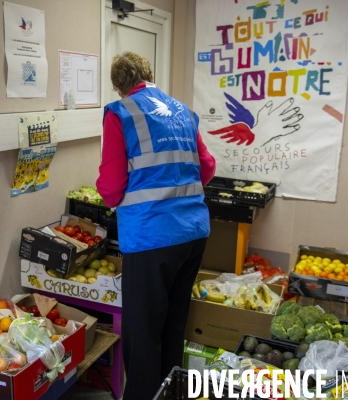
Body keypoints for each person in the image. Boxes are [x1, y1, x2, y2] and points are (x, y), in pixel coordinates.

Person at [96, 52, 216, 399]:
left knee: (143, 331)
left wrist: (110, 196)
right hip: (193, 233)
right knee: (173, 324)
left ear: (118, 86)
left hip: (151, 238)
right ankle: (170, 393)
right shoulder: (183, 112)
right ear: (149, 75)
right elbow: (206, 167)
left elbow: (112, 185)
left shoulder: (121, 112)